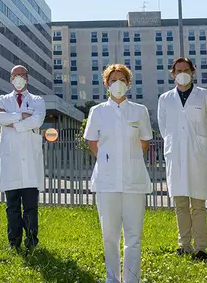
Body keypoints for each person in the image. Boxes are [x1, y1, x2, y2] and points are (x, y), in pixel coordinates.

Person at [84, 64, 152, 283]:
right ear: (106, 84)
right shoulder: (97, 111)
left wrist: (128, 161)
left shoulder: (139, 111)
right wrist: (108, 161)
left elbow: (144, 142)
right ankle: (112, 278)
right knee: (109, 236)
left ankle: (132, 279)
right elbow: (92, 142)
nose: (118, 83)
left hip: (134, 181)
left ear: (129, 83)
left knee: (134, 236)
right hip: (106, 181)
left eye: (122, 79)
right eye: (113, 80)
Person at [157, 57, 207, 261]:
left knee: (198, 205)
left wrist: (205, 147)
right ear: (172, 73)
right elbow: (164, 128)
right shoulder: (165, 99)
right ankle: (184, 245)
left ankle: (201, 248)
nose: (182, 73)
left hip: (197, 156)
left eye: (186, 69)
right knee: (180, 204)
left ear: (192, 72)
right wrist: (172, 146)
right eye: (178, 70)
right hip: (176, 154)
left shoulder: (205, 96)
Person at [0, 65, 46, 252]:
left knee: (31, 206)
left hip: (30, 161)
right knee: (12, 206)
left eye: (22, 75)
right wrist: (21, 116)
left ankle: (31, 241)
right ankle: (14, 242)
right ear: (10, 79)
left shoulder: (37, 100)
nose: (19, 78)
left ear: (27, 78)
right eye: (15, 75)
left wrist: (12, 122)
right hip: (10, 161)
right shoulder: (2, 99)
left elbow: (37, 120)